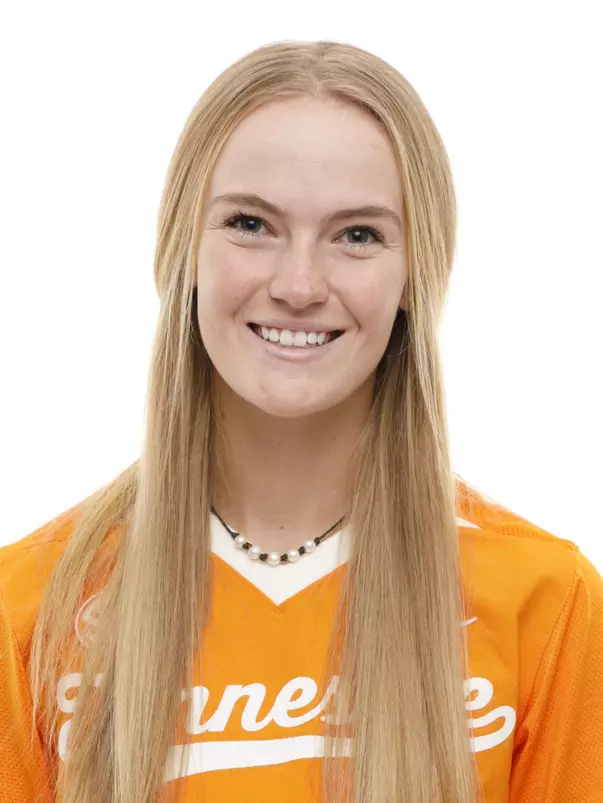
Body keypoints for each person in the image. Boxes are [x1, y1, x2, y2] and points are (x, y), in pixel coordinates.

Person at [0, 39, 602, 803]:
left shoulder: (544, 602)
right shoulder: (30, 609)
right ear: (182, 250)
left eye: (357, 234)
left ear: (415, 272)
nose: (297, 283)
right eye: (251, 223)